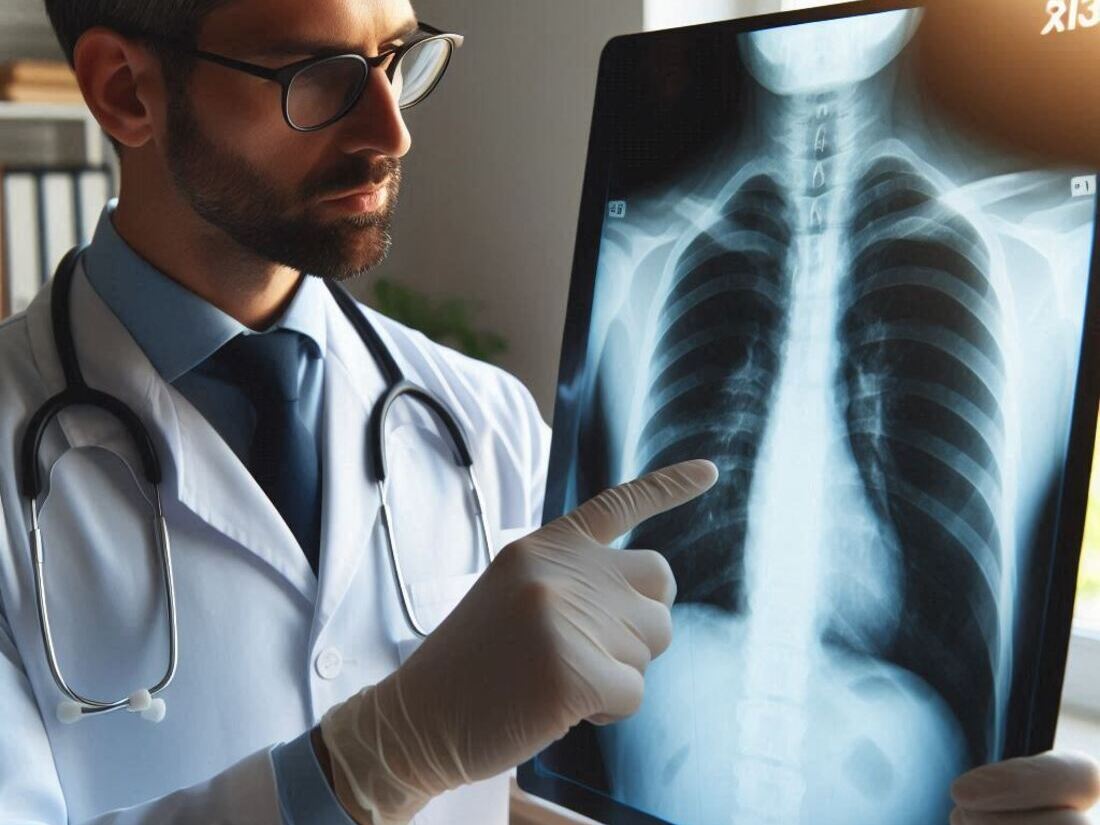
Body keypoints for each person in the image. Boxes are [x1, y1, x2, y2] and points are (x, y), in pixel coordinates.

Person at [0, 1, 1094, 823]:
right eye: (321, 74)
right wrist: (382, 753)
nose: (392, 127)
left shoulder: (482, 423)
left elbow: (512, 804)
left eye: (397, 56)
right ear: (125, 92)